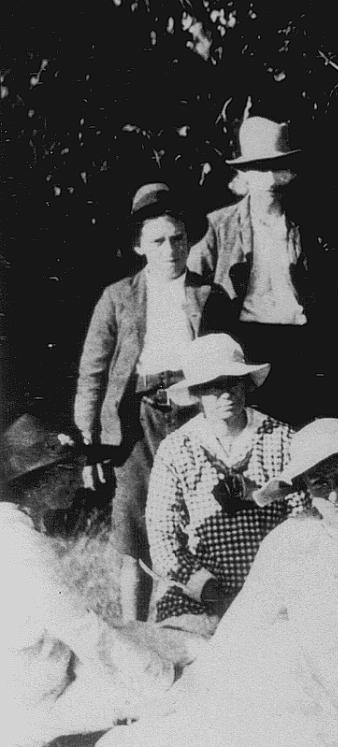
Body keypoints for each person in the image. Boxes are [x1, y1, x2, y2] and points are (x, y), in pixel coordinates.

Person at [100, 417, 338, 747]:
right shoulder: (290, 540)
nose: (336, 495)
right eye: (320, 482)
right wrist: (177, 698)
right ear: (303, 487)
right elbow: (238, 631)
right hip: (288, 694)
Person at [74, 182, 231, 622]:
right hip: (137, 420)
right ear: (139, 246)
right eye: (158, 241)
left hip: (192, 415)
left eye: (178, 238)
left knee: (196, 517)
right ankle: (133, 628)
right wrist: (90, 440)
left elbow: (225, 363)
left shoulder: (209, 296)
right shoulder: (118, 296)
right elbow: (93, 370)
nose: (170, 250)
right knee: (133, 527)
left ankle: (194, 624)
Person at [2, 412, 180, 747]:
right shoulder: (18, 544)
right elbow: (80, 628)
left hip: (41, 682)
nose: (81, 481)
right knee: (172, 697)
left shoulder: (15, 530)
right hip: (29, 706)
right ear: (37, 482)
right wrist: (160, 676)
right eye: (68, 471)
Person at [145, 334, 304, 631]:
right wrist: (212, 593)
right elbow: (163, 537)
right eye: (212, 386)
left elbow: (305, 518)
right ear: (197, 393)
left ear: (245, 383)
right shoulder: (177, 449)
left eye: (232, 381)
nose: (225, 394)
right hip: (201, 592)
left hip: (273, 586)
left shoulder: (281, 439)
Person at [188, 115, 329, 424]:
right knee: (248, 427)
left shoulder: (309, 226)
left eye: (278, 168)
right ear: (243, 175)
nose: (270, 180)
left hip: (298, 343)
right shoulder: (219, 226)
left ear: (291, 172)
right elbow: (189, 286)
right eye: (259, 169)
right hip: (244, 342)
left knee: (297, 430)